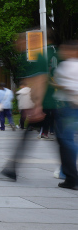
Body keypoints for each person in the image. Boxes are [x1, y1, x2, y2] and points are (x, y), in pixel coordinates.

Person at [1, 33, 51, 181]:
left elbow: (40, 81)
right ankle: (12, 168)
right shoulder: (27, 58)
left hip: (46, 105)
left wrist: (38, 105)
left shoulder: (37, 57)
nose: (18, 44)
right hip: (42, 105)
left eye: (21, 41)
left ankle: (71, 173)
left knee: (62, 140)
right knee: (27, 137)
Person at [53, 40, 78, 190]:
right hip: (72, 106)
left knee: (66, 140)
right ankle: (68, 174)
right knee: (67, 140)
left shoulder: (68, 65)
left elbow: (69, 86)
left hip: (68, 106)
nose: (61, 52)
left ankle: (71, 176)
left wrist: (56, 84)